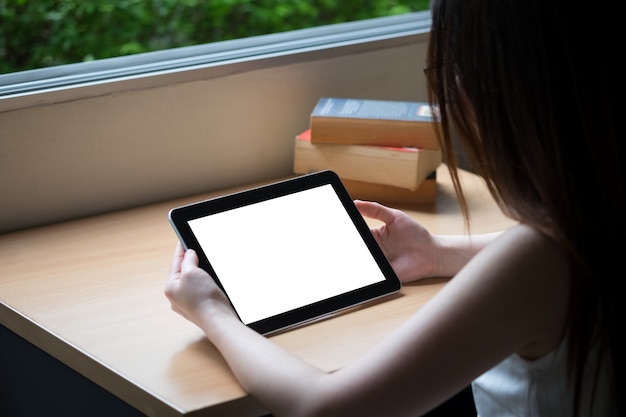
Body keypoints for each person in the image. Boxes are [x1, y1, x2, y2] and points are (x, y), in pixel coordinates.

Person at [165, 1, 622, 416]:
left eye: (455, 67)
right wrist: (439, 253)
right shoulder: (590, 221)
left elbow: (324, 409)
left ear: (506, 89)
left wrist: (212, 312)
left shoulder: (538, 261)